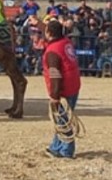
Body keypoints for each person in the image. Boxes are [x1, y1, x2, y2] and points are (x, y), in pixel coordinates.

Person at [43, 19, 81, 159]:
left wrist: (54, 95)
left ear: (49, 33)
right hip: (73, 85)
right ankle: (56, 146)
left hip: (63, 88)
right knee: (62, 119)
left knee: (62, 121)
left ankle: (66, 150)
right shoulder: (66, 42)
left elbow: (55, 75)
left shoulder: (53, 52)